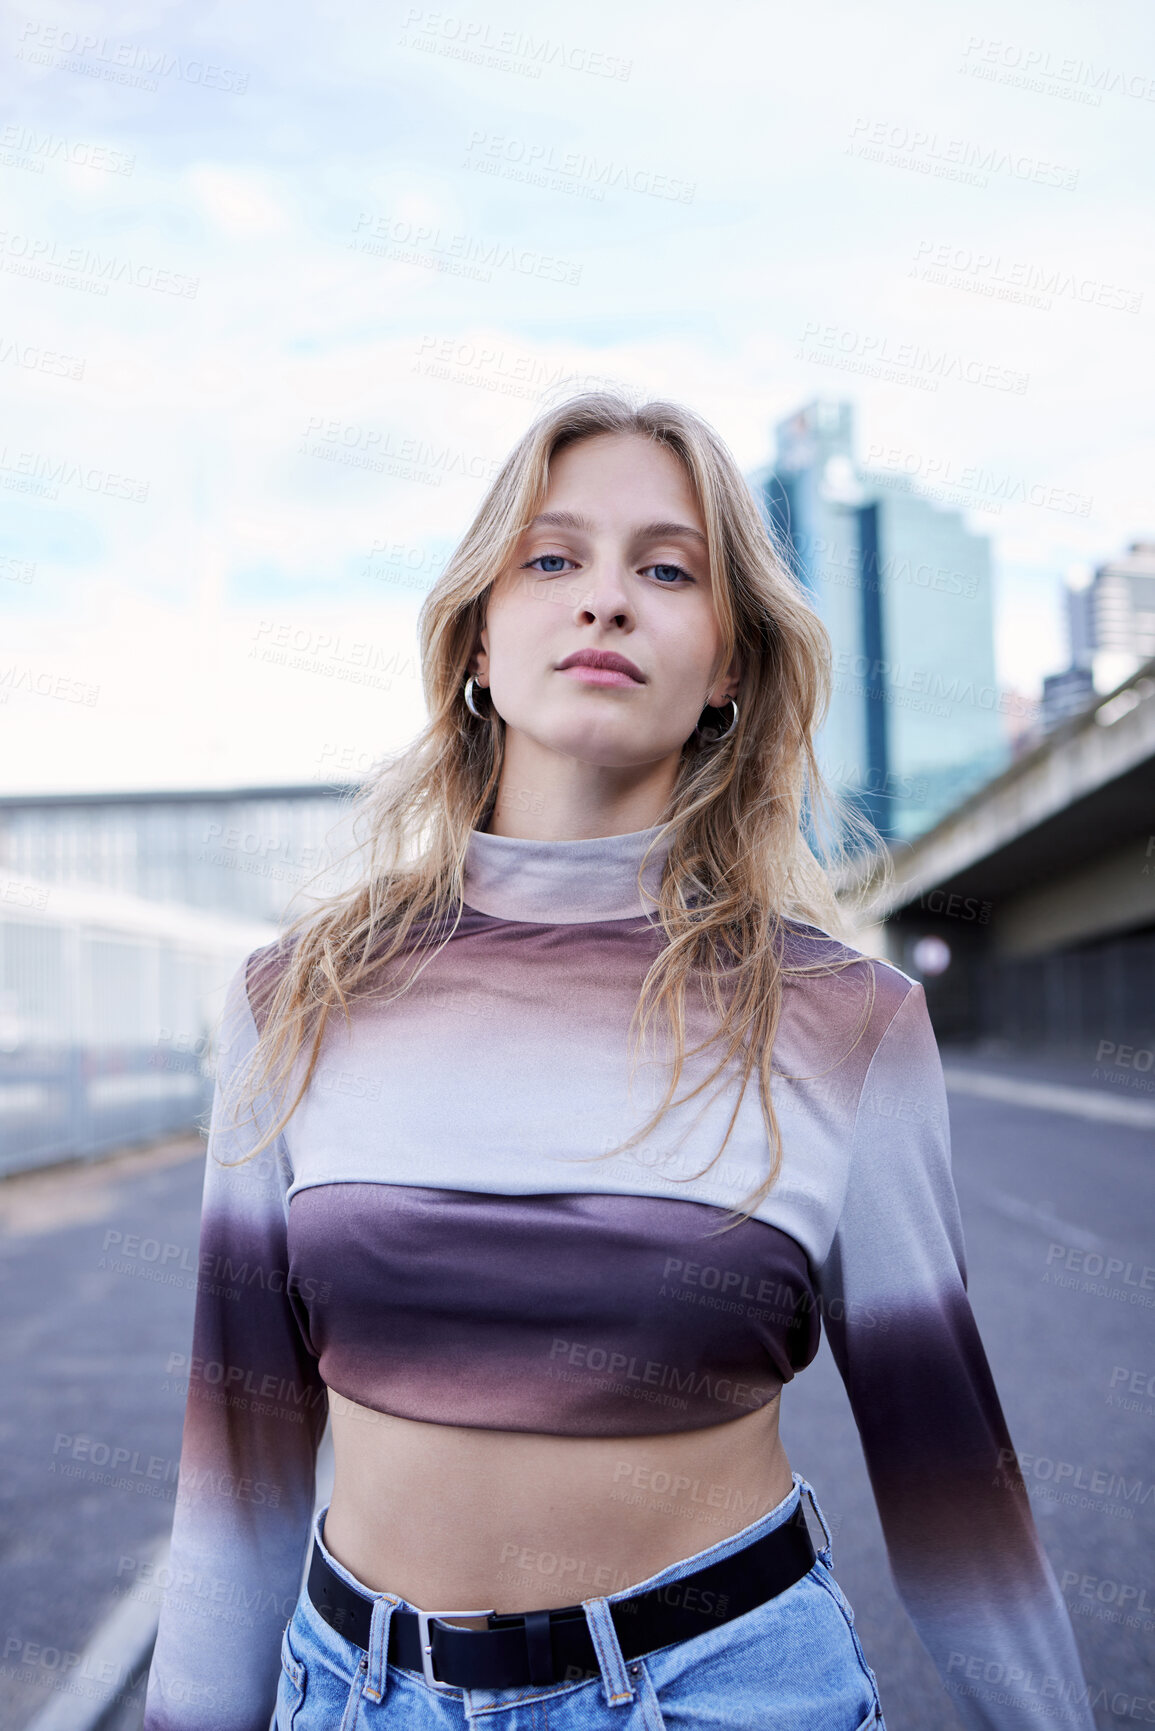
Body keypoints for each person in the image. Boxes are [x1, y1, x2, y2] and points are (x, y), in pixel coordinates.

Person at [142, 392, 1093, 1731]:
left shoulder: (847, 1022)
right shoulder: (294, 998)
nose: (604, 601)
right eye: (550, 559)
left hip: (725, 1701)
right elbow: (235, 1464)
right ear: (479, 634)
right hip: (351, 1698)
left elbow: (950, 1476)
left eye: (666, 568)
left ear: (730, 667)